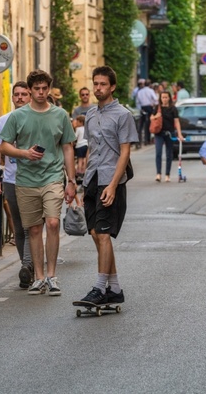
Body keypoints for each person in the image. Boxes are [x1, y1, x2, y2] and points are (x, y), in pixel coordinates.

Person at [0, 70, 77, 296]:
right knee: (33, 228)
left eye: (45, 89)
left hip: (53, 177)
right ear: (31, 90)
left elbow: (67, 148)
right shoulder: (18, 116)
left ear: (48, 89)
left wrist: (71, 181)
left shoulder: (60, 115)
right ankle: (39, 277)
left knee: (52, 223)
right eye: (37, 89)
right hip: (26, 179)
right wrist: (24, 154)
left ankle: (52, 276)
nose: (41, 93)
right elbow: (4, 146)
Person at [77, 66, 138, 305]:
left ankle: (100, 288)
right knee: (95, 233)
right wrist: (84, 182)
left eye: (103, 84)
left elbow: (125, 152)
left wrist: (113, 185)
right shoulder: (91, 114)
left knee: (103, 234)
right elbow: (92, 148)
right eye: (95, 84)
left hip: (111, 181)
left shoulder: (123, 115)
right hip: (92, 179)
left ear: (112, 87)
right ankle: (114, 288)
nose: (98, 88)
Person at [0, 82, 34, 289]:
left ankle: (28, 266)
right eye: (16, 94)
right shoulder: (4, 121)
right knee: (18, 226)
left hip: (35, 180)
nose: (20, 98)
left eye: (24, 94)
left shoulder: (37, 118)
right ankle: (27, 266)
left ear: (30, 95)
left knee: (30, 226)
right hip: (11, 179)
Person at [150, 91, 183, 183]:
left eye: (166, 97)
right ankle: (158, 174)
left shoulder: (173, 108)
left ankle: (167, 174)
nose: (164, 99)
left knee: (169, 154)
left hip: (169, 133)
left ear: (169, 98)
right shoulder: (157, 108)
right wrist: (156, 115)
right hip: (159, 133)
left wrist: (179, 134)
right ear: (160, 98)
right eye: (163, 97)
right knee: (158, 153)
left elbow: (176, 122)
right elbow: (151, 118)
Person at [135, 78, 158, 146]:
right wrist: (153, 104)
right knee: (148, 124)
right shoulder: (150, 91)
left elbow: (137, 102)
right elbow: (155, 99)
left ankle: (139, 141)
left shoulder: (140, 92)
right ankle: (147, 140)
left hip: (142, 108)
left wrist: (140, 108)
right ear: (150, 84)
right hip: (149, 107)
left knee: (141, 125)